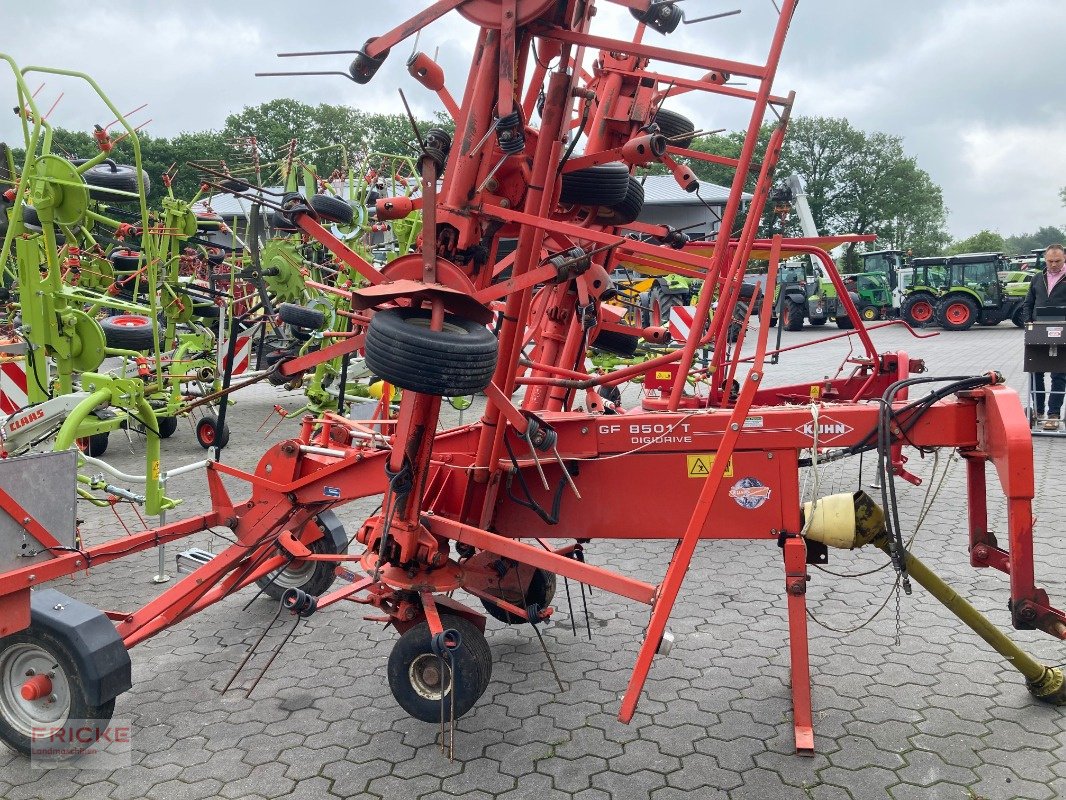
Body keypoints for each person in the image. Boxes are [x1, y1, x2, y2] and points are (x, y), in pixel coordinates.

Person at [1023, 243, 1066, 430]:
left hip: (1062, 333)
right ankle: (1038, 411)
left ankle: (1053, 414)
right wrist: (1028, 324)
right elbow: (1028, 303)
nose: (1053, 264)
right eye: (1050, 261)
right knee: (1035, 373)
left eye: (1057, 261)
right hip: (1038, 332)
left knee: (1059, 374)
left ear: (1064, 259)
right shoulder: (1037, 279)